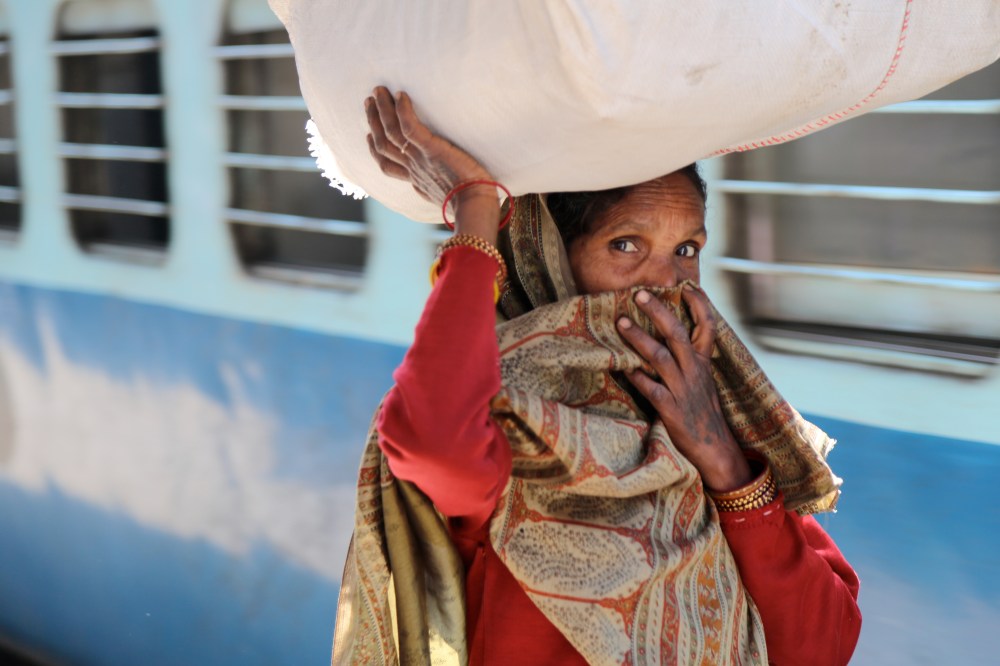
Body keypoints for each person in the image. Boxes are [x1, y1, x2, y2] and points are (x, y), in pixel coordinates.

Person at [332, 87, 862, 666]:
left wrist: (727, 470)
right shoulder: (515, 425)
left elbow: (823, 646)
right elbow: (430, 436)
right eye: (625, 245)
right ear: (550, 258)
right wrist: (478, 207)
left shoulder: (711, 418)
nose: (665, 284)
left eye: (686, 248)